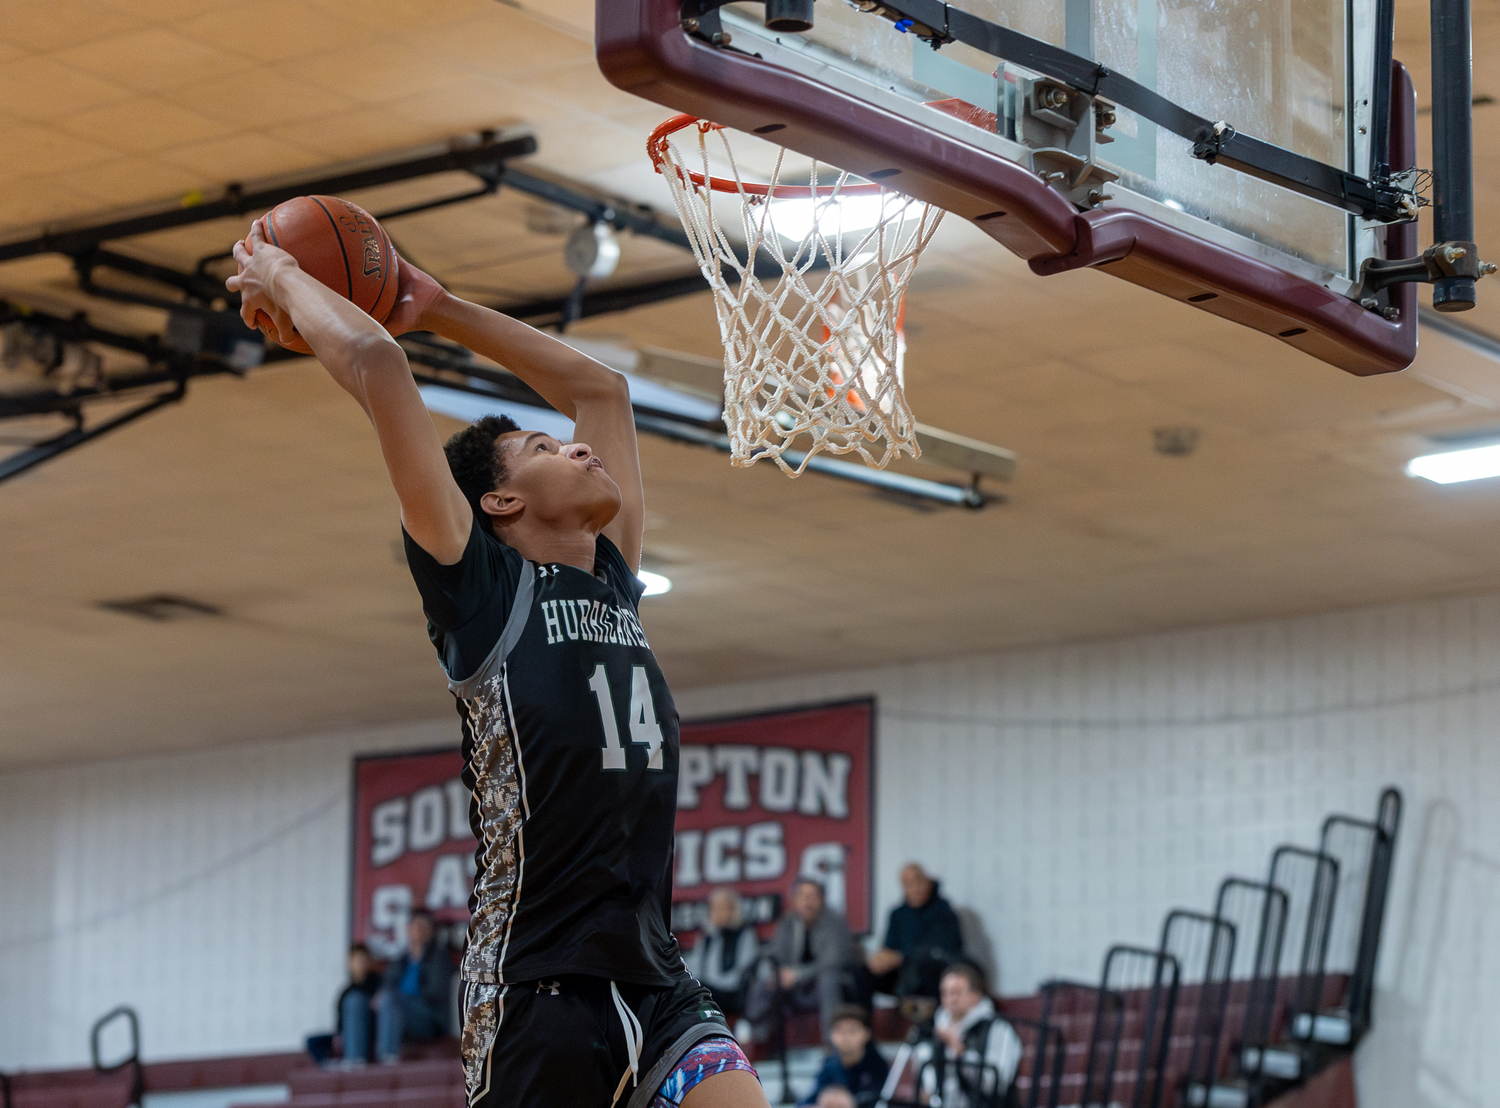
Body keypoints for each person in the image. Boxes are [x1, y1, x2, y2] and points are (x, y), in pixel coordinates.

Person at [229, 221, 765, 1108]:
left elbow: (602, 389)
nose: (578, 444)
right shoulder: (479, 590)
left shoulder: (614, 584)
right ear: (501, 500)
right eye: (545, 449)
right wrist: (283, 274)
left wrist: (436, 306)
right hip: (534, 990)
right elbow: (379, 367)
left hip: (660, 985)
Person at [754, 878, 863, 1038]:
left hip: (826, 985)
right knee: (763, 983)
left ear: (822, 899)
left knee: (828, 980)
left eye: (812, 896)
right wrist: (778, 973)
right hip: (793, 987)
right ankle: (759, 1042)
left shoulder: (835, 922)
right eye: (803, 896)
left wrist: (797, 975)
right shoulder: (787, 922)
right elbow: (775, 954)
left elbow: (833, 961)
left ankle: (832, 1047)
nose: (807, 901)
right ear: (795, 900)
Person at [913, 964, 1022, 1108]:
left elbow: (994, 1085)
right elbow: (929, 1086)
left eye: (956, 992)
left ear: (975, 995)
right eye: (945, 993)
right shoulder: (935, 1031)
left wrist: (958, 1050)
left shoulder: (999, 1029)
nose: (950, 999)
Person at [867, 865, 964, 1002]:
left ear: (928, 882)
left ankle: (920, 1015)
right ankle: (856, 1020)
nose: (915, 888)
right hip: (900, 973)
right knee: (862, 973)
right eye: (907, 883)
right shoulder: (898, 914)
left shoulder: (944, 910)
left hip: (934, 970)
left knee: (922, 965)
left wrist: (902, 957)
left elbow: (942, 948)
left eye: (917, 881)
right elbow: (890, 945)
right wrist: (881, 959)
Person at [375, 910, 455, 1061]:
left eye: (423, 927)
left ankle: (388, 1057)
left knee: (392, 1000)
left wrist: (402, 999)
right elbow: (387, 986)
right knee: (356, 1001)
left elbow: (437, 992)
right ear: (408, 929)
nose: (418, 931)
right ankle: (355, 1061)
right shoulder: (401, 959)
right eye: (415, 926)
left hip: (428, 1018)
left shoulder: (439, 957)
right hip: (397, 1013)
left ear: (431, 931)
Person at [684, 888, 761, 1018]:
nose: (717, 912)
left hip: (733, 992)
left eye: (722, 908)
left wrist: (712, 986)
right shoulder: (707, 936)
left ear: (732, 910)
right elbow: (695, 965)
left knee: (699, 994)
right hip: (707, 990)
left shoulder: (745, 934)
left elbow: (744, 972)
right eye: (714, 908)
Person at [799, 1006, 889, 1108]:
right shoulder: (829, 1065)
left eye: (852, 1031)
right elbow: (809, 1099)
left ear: (866, 1034)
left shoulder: (877, 1066)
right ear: (831, 1035)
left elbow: (882, 1099)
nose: (845, 1037)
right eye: (840, 1031)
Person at [337, 942, 383, 1062]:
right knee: (314, 1041)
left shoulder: (380, 984)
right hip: (349, 1032)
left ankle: (355, 1060)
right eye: (356, 960)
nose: (360, 963)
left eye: (363, 959)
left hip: (373, 1028)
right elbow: (339, 1022)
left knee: (355, 1001)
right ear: (349, 963)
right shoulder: (346, 992)